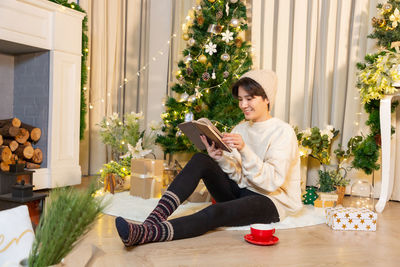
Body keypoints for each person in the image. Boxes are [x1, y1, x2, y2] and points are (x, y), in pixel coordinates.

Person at [115, 69, 303, 246]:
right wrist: (220, 158)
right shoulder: (241, 128)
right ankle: (151, 221)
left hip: (271, 201)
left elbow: (271, 182)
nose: (243, 105)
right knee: (201, 159)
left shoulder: (282, 132)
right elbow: (238, 176)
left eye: (249, 98)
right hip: (243, 190)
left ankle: (147, 234)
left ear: (267, 98)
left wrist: (245, 150)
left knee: (214, 212)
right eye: (240, 99)